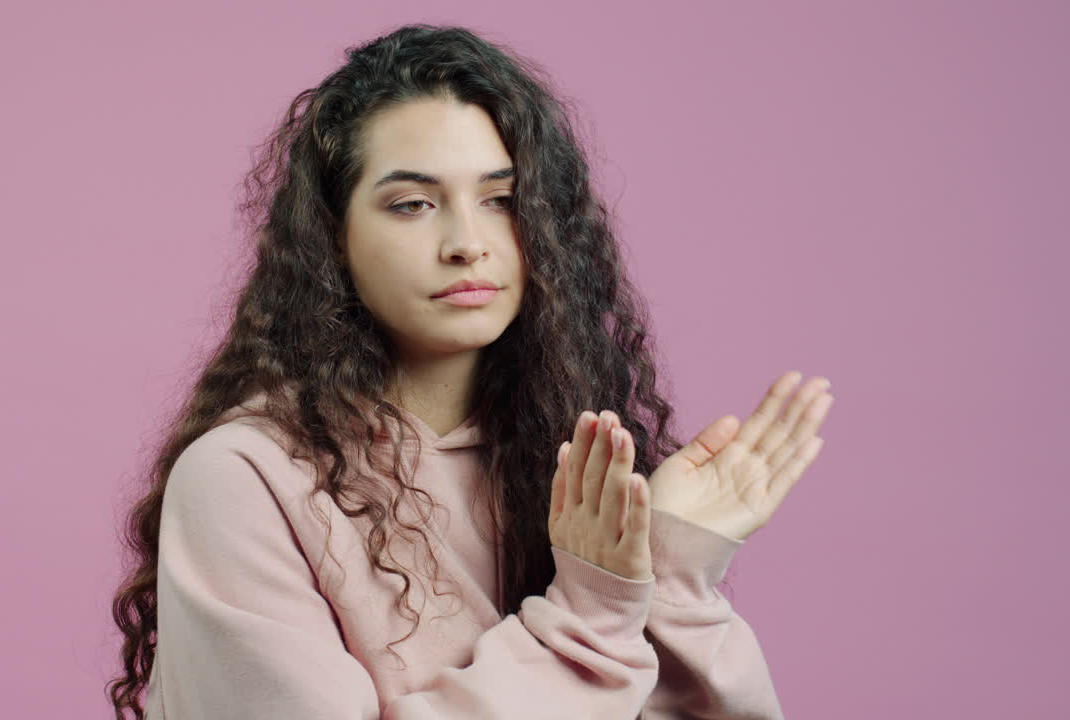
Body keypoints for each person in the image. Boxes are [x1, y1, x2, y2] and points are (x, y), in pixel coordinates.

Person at [107, 23, 834, 720]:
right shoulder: (245, 477)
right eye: (414, 204)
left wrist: (664, 566)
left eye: (501, 201)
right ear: (334, 235)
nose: (467, 243)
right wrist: (589, 616)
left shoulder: (566, 458)